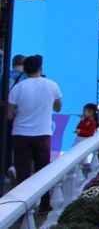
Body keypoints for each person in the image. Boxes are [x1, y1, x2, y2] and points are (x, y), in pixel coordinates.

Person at [8, 55, 61, 210]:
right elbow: (58, 107)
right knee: (43, 170)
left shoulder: (18, 88)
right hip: (43, 133)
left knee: (22, 172)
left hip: (20, 134)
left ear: (25, 69)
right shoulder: (52, 85)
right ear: (40, 68)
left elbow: (10, 114)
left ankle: (23, 207)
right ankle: (45, 204)